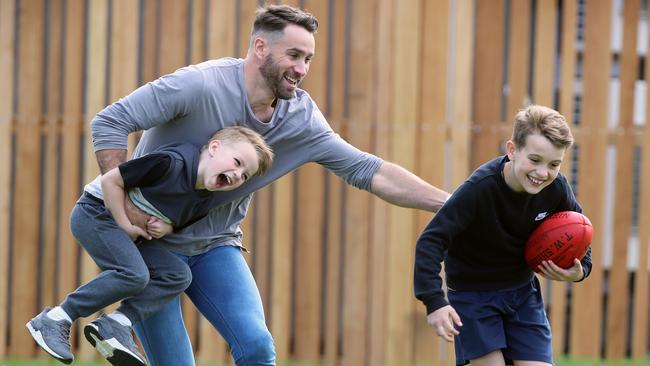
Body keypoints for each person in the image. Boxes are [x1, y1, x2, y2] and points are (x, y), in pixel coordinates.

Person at [83, 4, 450, 366]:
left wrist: (450, 203)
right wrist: (128, 210)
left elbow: (370, 170)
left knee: (258, 348)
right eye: (293, 55)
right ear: (260, 48)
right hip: (154, 246)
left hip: (216, 245)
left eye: (308, 59)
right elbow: (110, 122)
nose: (302, 69)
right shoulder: (200, 85)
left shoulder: (300, 121)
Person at [26, 126, 273, 366]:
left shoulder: (202, 200)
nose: (238, 175)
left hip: (133, 233)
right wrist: (123, 223)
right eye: (238, 162)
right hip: (96, 214)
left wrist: (167, 228)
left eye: (245, 176)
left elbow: (177, 223)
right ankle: (56, 318)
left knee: (177, 275)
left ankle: (117, 323)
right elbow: (111, 181)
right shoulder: (169, 162)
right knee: (134, 275)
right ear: (214, 147)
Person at [414, 105, 593, 366]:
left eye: (554, 164)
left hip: (522, 294)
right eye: (534, 160)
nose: (543, 173)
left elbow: (581, 230)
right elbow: (431, 240)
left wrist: (581, 269)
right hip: (474, 296)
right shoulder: (479, 189)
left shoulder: (556, 188)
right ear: (512, 150)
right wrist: (434, 301)